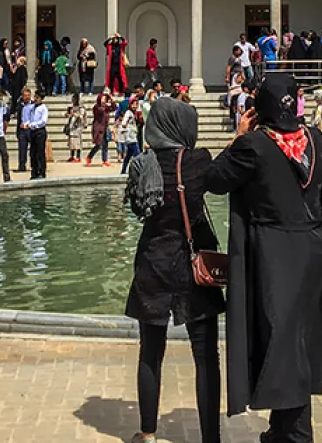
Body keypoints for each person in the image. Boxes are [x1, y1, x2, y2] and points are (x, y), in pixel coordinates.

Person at [206, 73, 322, 442]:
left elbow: (215, 179)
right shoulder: (315, 139)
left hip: (275, 251)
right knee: (297, 337)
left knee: (281, 340)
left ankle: (296, 435)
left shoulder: (254, 146)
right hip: (313, 247)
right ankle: (283, 428)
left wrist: (237, 136)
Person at [124, 97, 225, 443]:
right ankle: (210, 437)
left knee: (150, 351)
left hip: (153, 262)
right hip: (192, 266)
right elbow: (220, 178)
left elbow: (137, 208)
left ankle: (148, 432)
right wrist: (239, 137)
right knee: (206, 356)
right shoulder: (196, 161)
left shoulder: (141, 164)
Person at [27, 89, 49, 179]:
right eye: (35, 97)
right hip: (32, 131)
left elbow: (43, 121)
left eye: (37, 97)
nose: (35, 99)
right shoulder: (32, 107)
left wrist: (33, 125)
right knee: (33, 152)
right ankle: (34, 171)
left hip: (40, 131)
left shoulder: (43, 108)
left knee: (40, 152)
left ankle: (41, 171)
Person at [85, 92, 112, 166]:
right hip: (98, 128)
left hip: (105, 128)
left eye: (105, 99)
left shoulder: (106, 107)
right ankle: (89, 157)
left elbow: (114, 108)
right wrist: (106, 106)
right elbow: (101, 110)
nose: (104, 100)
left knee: (105, 144)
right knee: (98, 144)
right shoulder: (96, 107)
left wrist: (111, 100)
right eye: (103, 98)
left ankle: (105, 160)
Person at [117, 98, 141, 174]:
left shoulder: (133, 113)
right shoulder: (128, 113)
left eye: (136, 104)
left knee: (128, 156)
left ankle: (123, 170)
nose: (135, 106)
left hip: (132, 136)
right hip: (131, 138)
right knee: (137, 155)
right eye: (133, 104)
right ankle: (139, 171)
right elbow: (123, 123)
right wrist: (128, 126)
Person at [65, 93, 85, 163]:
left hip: (77, 126)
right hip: (71, 126)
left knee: (77, 142)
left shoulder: (81, 108)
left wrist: (74, 114)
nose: (73, 100)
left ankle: (78, 157)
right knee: (71, 142)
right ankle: (72, 156)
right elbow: (67, 115)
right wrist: (67, 114)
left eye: (74, 99)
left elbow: (81, 116)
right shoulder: (71, 107)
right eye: (72, 98)